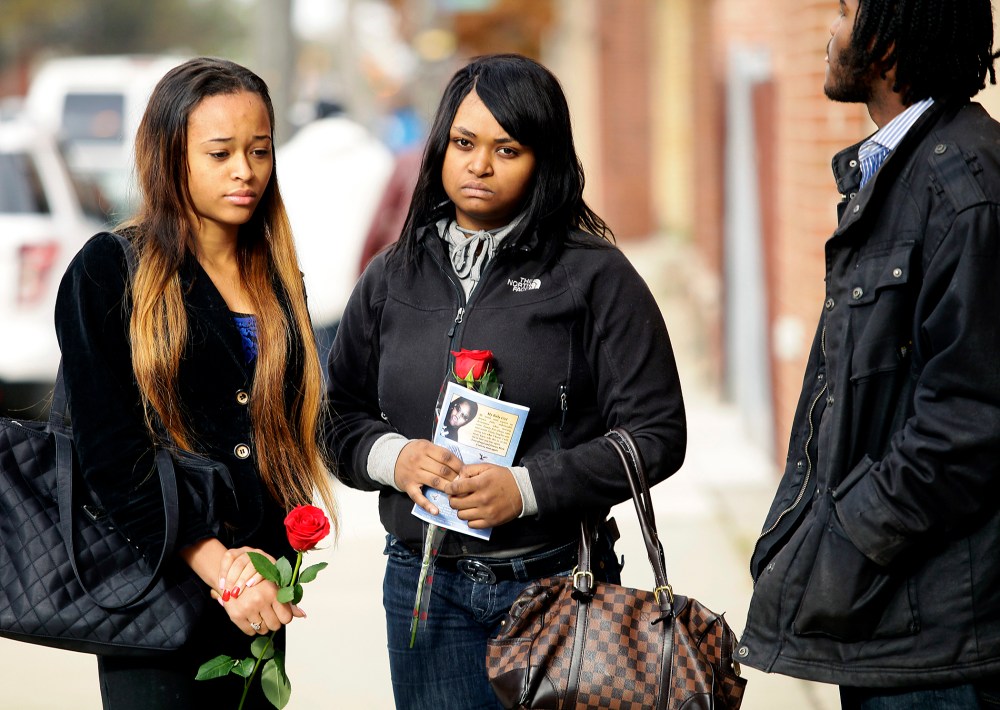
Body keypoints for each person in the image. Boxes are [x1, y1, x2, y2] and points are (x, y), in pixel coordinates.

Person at [326, 53, 687, 709]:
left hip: (557, 583)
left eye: (507, 148)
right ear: (440, 146)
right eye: (464, 143)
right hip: (423, 587)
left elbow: (658, 434)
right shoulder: (391, 278)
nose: (479, 165)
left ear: (541, 159)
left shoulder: (595, 276)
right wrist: (396, 458)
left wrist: (523, 490)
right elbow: (336, 418)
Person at [738, 2, 1000, 708]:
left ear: (889, 40)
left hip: (938, 643)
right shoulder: (899, 174)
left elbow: (968, 424)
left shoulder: (964, 188)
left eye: (848, 10)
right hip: (887, 621)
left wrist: (844, 541)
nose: (831, 27)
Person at [54, 57, 336, 709]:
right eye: (220, 153)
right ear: (169, 156)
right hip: (155, 591)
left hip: (260, 597)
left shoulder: (278, 280)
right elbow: (110, 456)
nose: (246, 170)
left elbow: (289, 430)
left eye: (259, 150)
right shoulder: (110, 270)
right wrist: (222, 569)